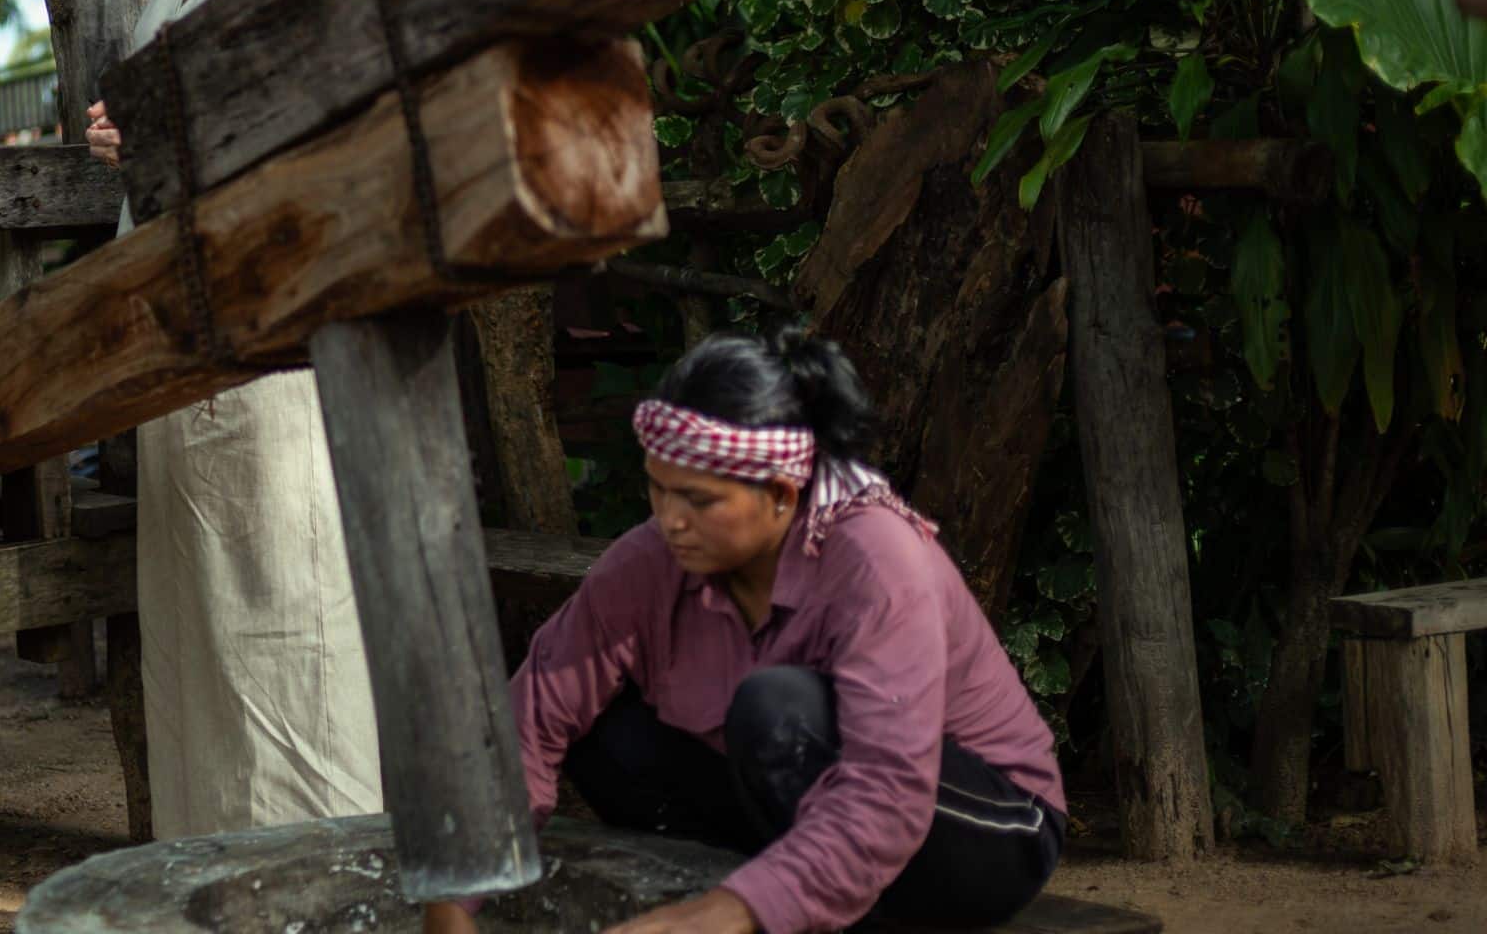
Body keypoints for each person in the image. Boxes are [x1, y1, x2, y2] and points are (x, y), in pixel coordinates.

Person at [428, 330, 1063, 934]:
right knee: (603, 731)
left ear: (782, 495)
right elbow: (530, 724)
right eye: (658, 490)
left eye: (699, 500)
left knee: (776, 711)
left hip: (990, 827)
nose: (671, 520)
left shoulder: (875, 559)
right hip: (802, 810)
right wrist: (456, 898)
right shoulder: (647, 563)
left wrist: (720, 915)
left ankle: (770, 901)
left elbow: (888, 793)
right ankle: (780, 890)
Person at [82, 0, 384, 836]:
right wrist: (129, 133)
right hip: (177, 335)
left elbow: (317, 155)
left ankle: (320, 879)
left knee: (286, 629)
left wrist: (167, 137)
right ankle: (209, 882)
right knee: (200, 637)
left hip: (264, 351)